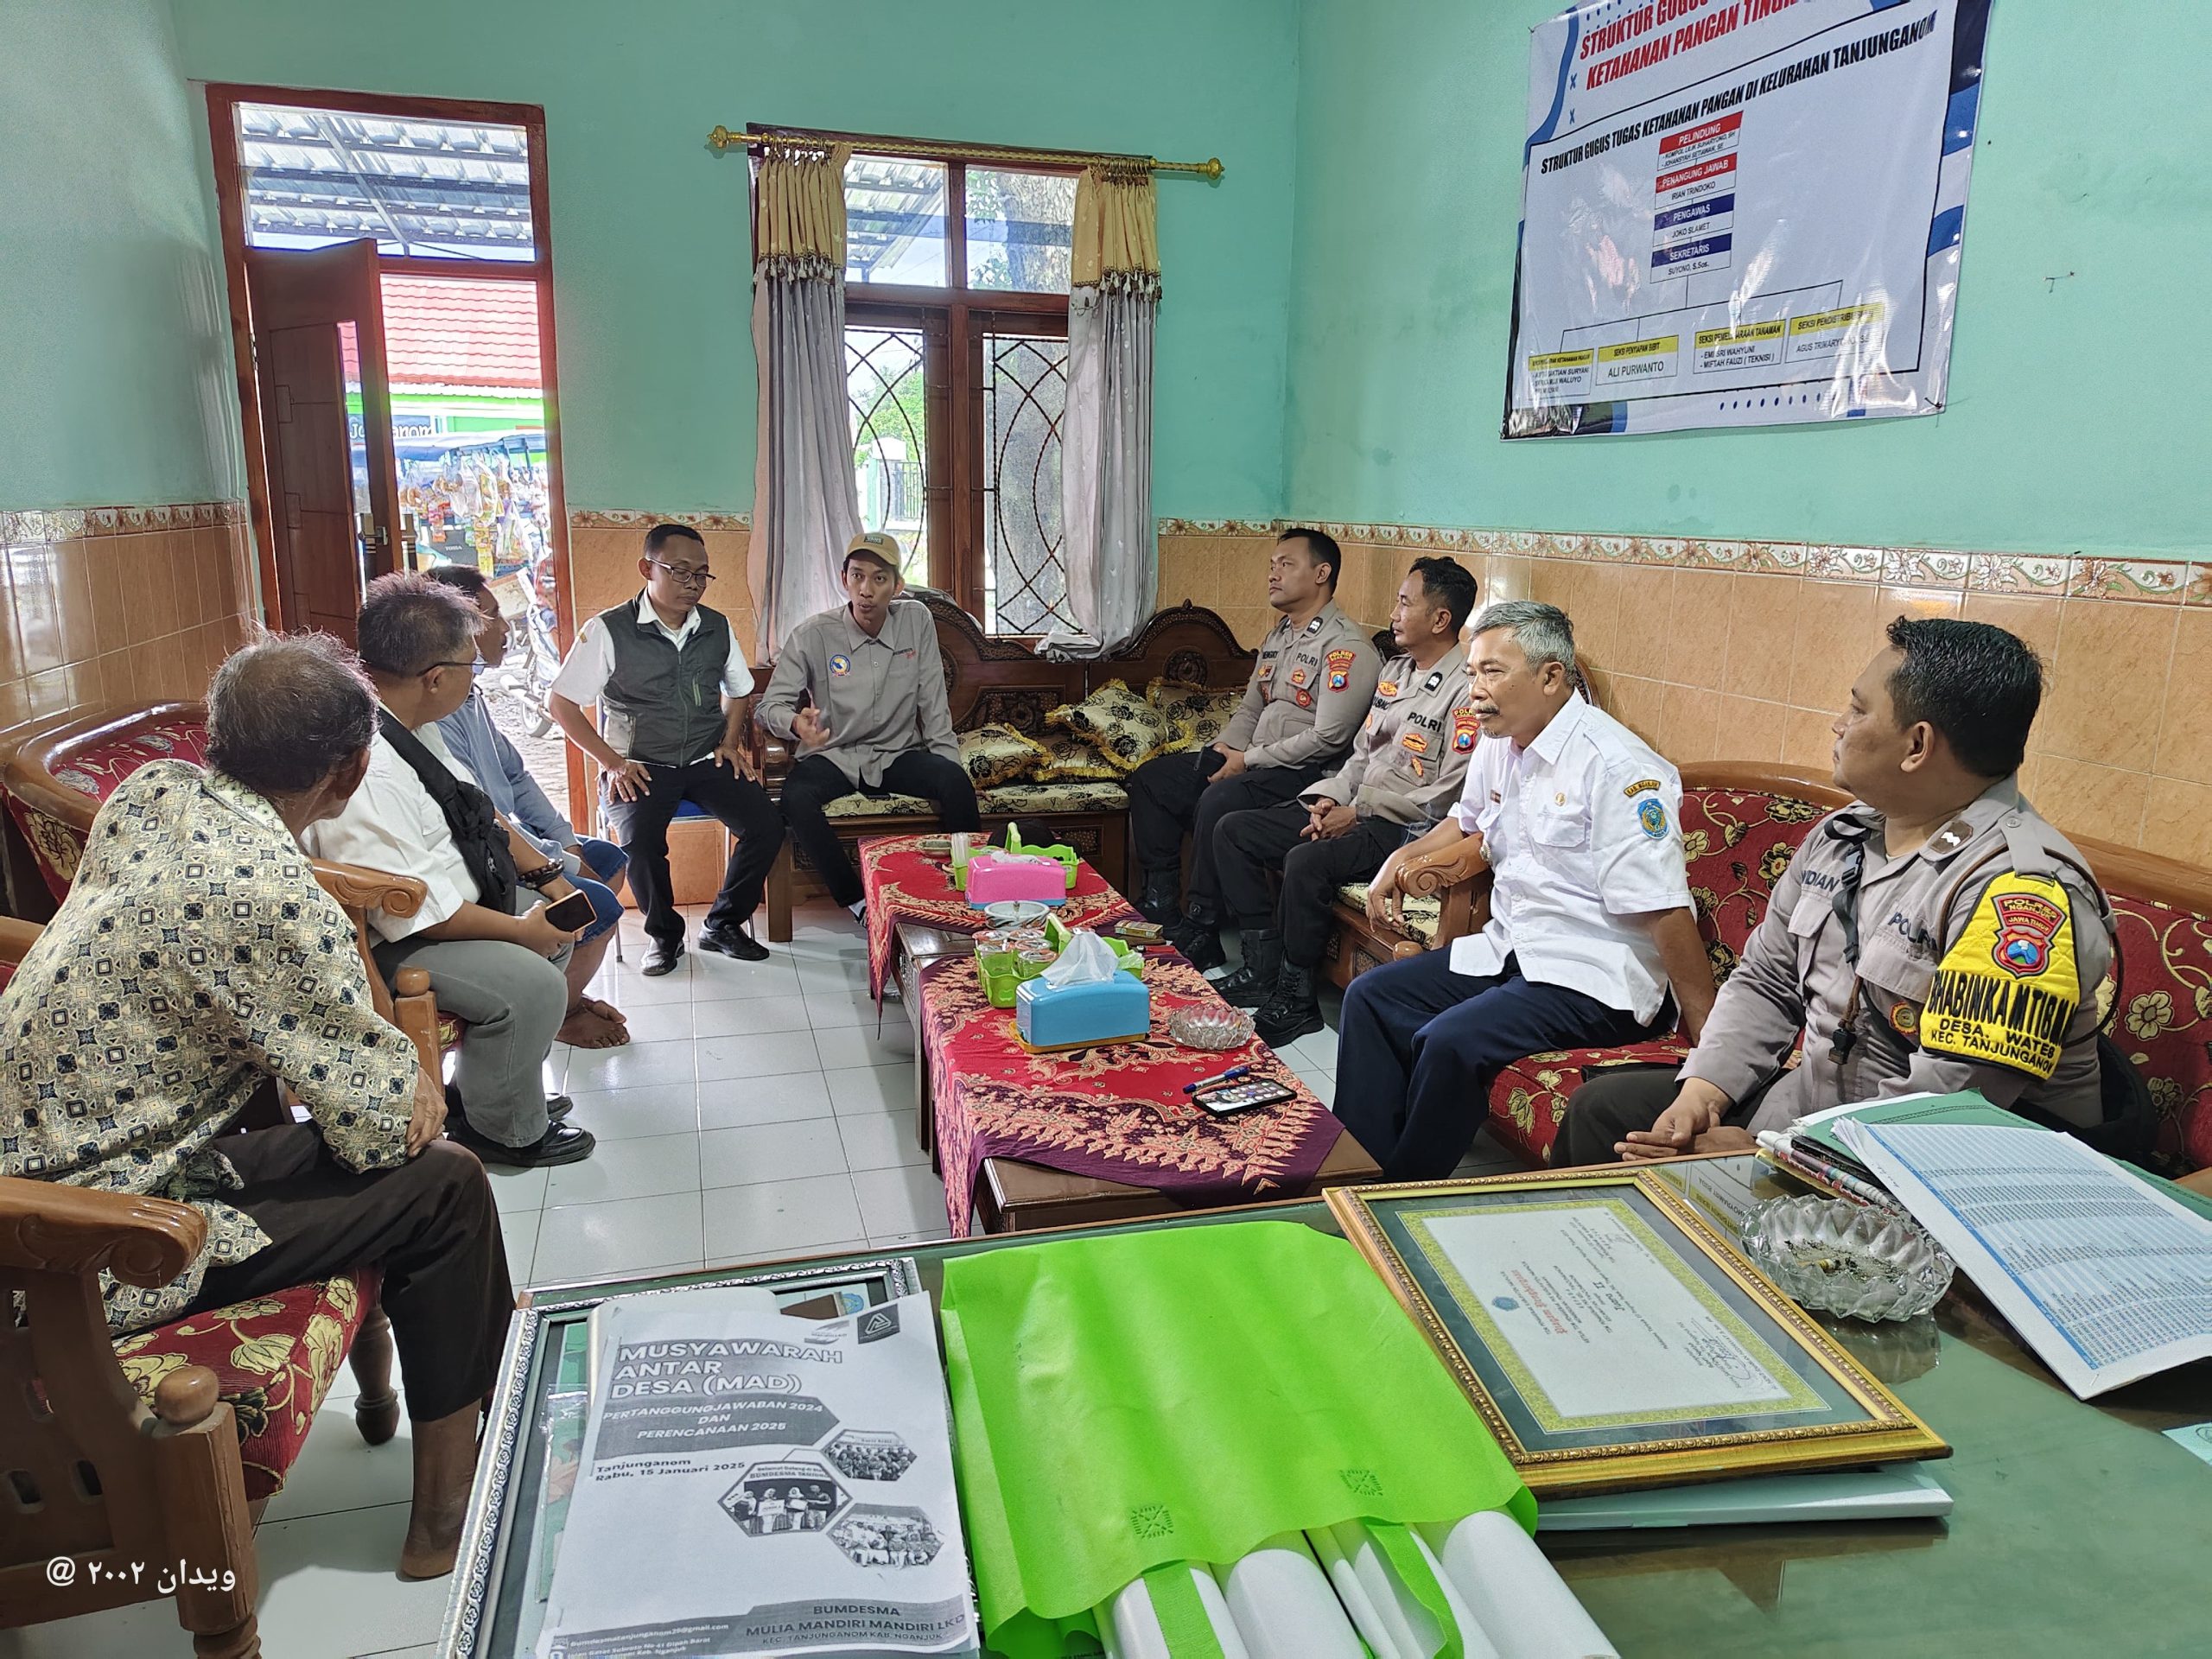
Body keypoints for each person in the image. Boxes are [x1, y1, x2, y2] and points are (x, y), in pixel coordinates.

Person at [0, 633, 512, 1580]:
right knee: (443, 1187)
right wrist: (397, 1083)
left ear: (217, 738)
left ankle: (473, 1430)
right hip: (81, 1244)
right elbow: (374, 1131)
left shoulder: (151, 793)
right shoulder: (274, 899)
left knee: (443, 1174)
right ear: (354, 767)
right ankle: (444, 1516)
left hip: (69, 1166)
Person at [1560, 617, 2123, 1166]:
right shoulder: (1846, 835)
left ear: (1917, 745)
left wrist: (1778, 1155)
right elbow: (1767, 980)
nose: (1838, 724)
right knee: (1606, 1112)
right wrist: (1703, 1094)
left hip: (1958, 1161)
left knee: (1714, 1176)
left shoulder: (2021, 895)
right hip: (1824, 1109)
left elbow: (1951, 1103)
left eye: (1857, 709)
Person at [1334, 601, 1717, 1179]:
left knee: (1449, 1042)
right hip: (1513, 950)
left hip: (1593, 978)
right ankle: (1355, 1171)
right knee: (1371, 999)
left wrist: (1710, 1048)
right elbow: (1467, 823)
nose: (1474, 691)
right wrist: (1399, 858)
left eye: (1492, 672)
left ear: (1551, 677)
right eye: (1472, 671)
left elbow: (1666, 911)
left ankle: (1400, 1195)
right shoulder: (1500, 738)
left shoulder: (1617, 767)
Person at [306, 573, 594, 1168]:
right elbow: (407, 906)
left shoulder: (411, 726)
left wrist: (547, 877)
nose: (475, 677)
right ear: (436, 677)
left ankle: (483, 1096)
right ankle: (504, 1133)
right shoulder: (367, 770)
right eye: (471, 665)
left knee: (556, 937)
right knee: (533, 982)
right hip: (398, 939)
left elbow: (480, 809)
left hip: (456, 901)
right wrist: (520, 931)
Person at [1212, 557, 1482, 1046]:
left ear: (1441, 620)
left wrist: (1358, 810)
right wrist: (1325, 800)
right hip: (1354, 809)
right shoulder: (1397, 673)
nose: (1394, 612)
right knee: (1235, 830)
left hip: (1407, 831)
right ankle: (1260, 967)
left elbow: (1448, 793)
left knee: (1306, 861)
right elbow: (1360, 755)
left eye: (1405, 602)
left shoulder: (1465, 691)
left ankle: (1297, 1001)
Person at [1126, 527, 1382, 970]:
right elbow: (1250, 708)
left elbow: (1329, 738)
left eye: (1287, 565)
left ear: (1321, 573)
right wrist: (1224, 750)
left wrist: (1246, 761)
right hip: (1254, 760)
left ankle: (1203, 926)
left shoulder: (1346, 648)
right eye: (1272, 565)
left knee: (1219, 799)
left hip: (1304, 773)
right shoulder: (1280, 636)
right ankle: (1162, 905)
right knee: (1154, 779)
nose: (1273, 574)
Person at [549, 523, 785, 976]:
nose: (692, 584)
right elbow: (560, 703)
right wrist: (612, 762)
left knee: (767, 824)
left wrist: (729, 742)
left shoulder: (715, 627)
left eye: (701, 575)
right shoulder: (609, 630)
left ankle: (723, 923)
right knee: (640, 845)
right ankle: (664, 936)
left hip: (703, 757)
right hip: (638, 764)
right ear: (647, 569)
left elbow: (739, 690)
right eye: (679, 572)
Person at [423, 563, 631, 1048]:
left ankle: (563, 997)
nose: (504, 627)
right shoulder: (433, 714)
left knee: (608, 858)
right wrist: (552, 861)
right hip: (484, 857)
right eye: (490, 616)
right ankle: (557, 1011)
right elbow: (476, 816)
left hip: (512, 844)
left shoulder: (470, 696)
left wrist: (563, 840)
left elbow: (515, 776)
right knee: (596, 905)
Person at [757, 531, 979, 919]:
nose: (866, 589)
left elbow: (934, 702)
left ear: (897, 586)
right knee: (795, 798)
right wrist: (795, 723)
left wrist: (948, 768)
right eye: (857, 575)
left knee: (955, 781)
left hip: (897, 754)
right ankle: (859, 902)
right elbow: (768, 707)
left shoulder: (916, 621)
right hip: (834, 754)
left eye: (879, 578)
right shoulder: (813, 635)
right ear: (844, 579)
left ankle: (968, 887)